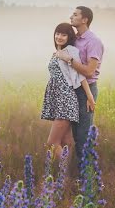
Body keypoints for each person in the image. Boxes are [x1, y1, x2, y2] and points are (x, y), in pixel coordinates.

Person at [41, 22, 96, 160]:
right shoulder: (57, 53)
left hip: (65, 99)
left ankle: (64, 174)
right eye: (57, 33)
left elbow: (80, 75)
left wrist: (89, 96)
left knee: (51, 143)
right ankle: (67, 176)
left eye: (63, 34)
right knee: (64, 142)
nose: (59, 37)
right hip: (58, 98)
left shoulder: (70, 51)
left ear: (69, 37)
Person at [55, 6, 104, 159]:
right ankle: (73, 173)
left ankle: (87, 178)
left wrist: (69, 60)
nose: (71, 17)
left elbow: (89, 71)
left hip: (86, 90)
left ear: (85, 20)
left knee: (83, 136)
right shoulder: (74, 39)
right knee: (71, 137)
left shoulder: (93, 41)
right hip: (71, 91)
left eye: (75, 15)